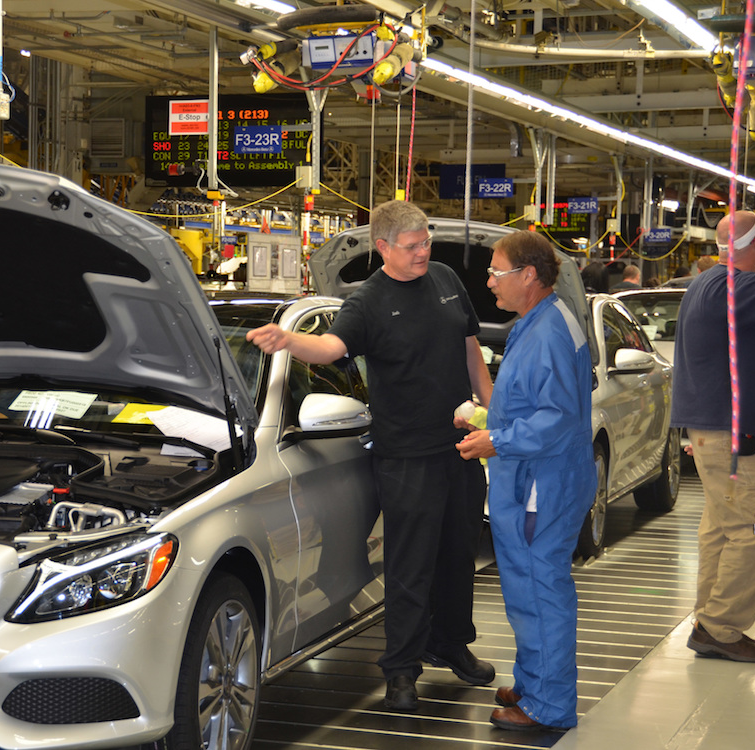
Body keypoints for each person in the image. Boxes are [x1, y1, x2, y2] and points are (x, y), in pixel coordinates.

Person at [246, 200, 495, 712]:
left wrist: (495, 409)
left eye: (426, 241)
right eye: (412, 246)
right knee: (410, 565)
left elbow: (470, 348)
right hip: (407, 456)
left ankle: (451, 643)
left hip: (462, 448)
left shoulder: (446, 278)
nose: (423, 251)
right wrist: (287, 340)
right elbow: (331, 348)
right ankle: (402, 669)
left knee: (457, 554)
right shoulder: (369, 301)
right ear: (382, 248)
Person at [456, 230, 596, 732]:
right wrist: (486, 419)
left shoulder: (549, 332)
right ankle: (534, 681)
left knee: (540, 591)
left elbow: (556, 418)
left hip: (543, 482)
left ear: (529, 276)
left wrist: (496, 441)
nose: (489, 281)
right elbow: (529, 402)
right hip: (538, 475)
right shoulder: (536, 321)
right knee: (527, 589)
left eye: (497, 272)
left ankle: (549, 705)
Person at [671, 210, 755, 662]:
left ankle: (710, 620)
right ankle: (719, 626)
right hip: (730, 437)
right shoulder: (733, 284)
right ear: (753, 245)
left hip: (715, 433)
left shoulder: (707, 283)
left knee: (722, 527)